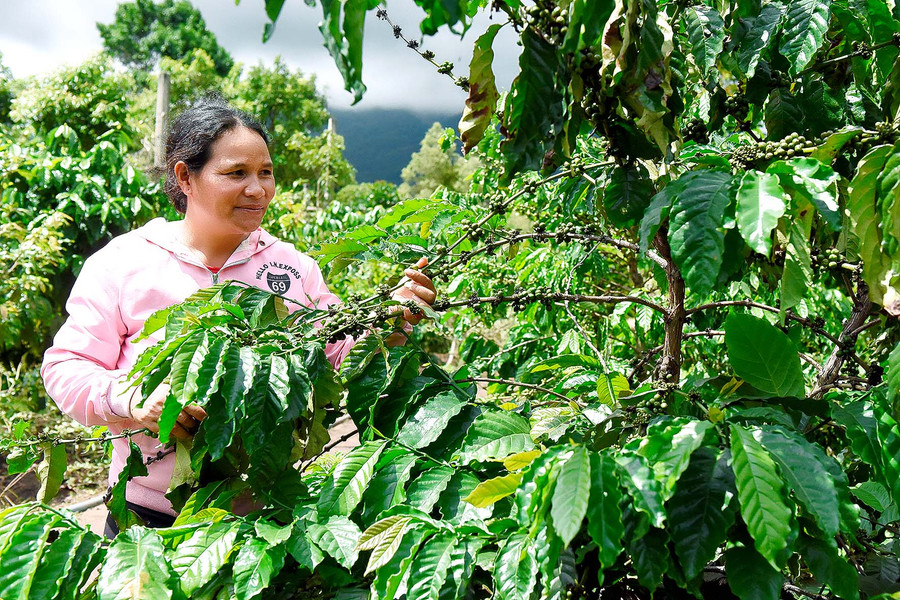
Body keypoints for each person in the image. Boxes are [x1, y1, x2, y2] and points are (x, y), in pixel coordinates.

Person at [40, 96, 436, 536]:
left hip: (262, 521)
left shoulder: (292, 268)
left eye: (265, 172)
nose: (258, 189)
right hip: (145, 519)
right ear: (185, 177)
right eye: (236, 173)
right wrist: (133, 399)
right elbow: (66, 367)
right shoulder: (123, 263)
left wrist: (389, 320)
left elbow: (337, 355)